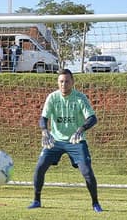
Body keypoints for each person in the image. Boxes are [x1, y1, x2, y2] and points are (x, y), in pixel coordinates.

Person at [28, 68, 102, 212]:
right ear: (58, 82)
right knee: (40, 167)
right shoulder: (52, 97)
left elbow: (93, 118)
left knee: (87, 171)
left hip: (75, 141)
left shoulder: (80, 98)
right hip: (55, 141)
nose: (64, 84)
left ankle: (95, 203)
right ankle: (36, 200)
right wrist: (44, 131)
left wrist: (80, 130)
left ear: (72, 82)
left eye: (67, 81)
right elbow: (43, 118)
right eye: (61, 81)